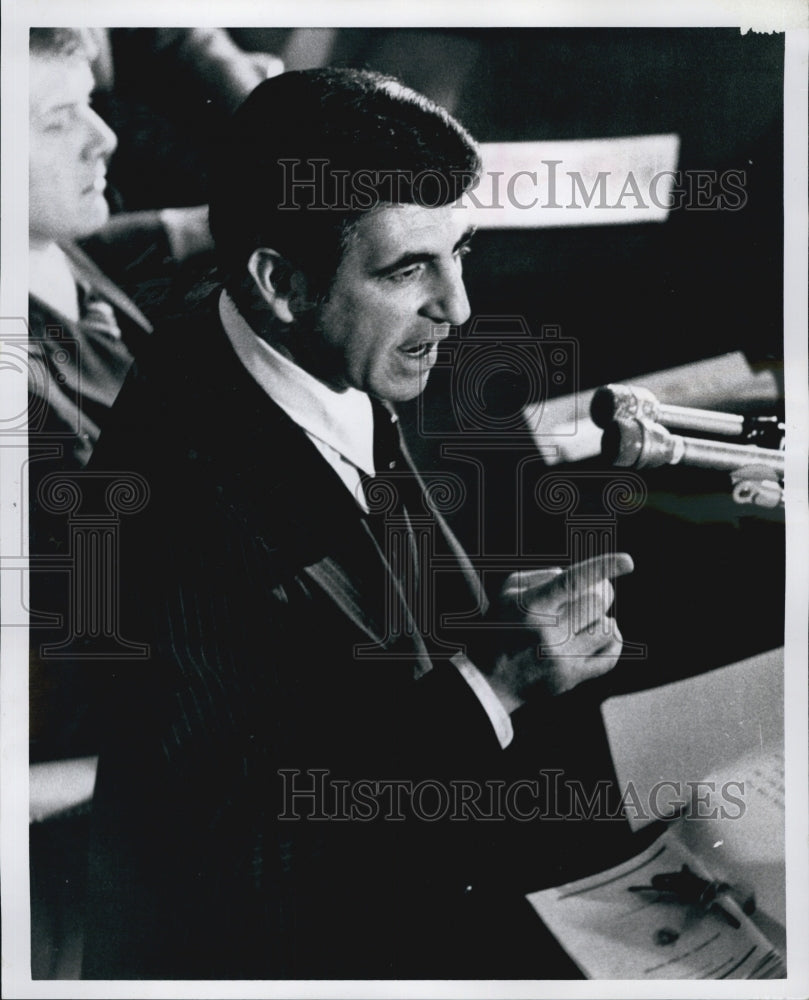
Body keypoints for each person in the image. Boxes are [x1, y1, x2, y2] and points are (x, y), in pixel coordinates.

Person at [83, 67, 634, 979]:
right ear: (280, 282)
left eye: (462, 250)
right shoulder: (170, 511)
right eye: (409, 267)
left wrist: (476, 635)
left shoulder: (313, 342)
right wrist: (488, 687)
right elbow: (240, 869)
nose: (457, 307)